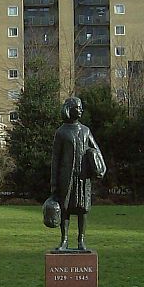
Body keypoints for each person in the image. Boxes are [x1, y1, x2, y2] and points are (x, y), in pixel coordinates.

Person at [49, 96, 104, 251]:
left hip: (83, 177)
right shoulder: (61, 132)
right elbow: (55, 160)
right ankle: (64, 240)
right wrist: (54, 184)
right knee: (65, 208)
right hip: (66, 177)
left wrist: (97, 165)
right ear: (69, 110)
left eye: (81, 107)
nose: (80, 110)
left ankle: (81, 240)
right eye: (78, 107)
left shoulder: (86, 131)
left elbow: (96, 150)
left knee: (82, 209)